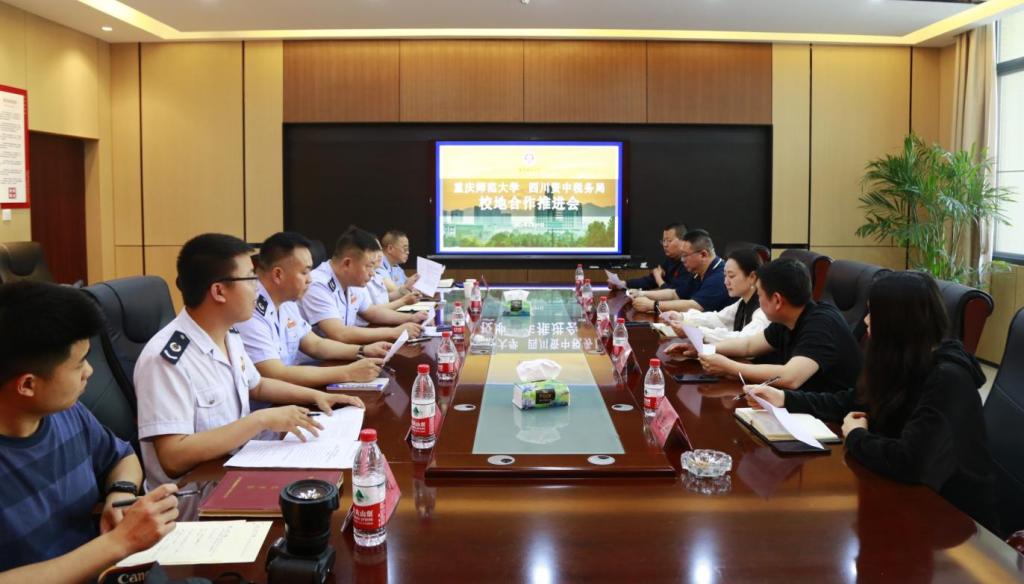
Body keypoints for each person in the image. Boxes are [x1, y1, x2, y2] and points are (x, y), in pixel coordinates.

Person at [745, 271, 998, 533]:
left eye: (872, 313)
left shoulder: (948, 379)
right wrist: (785, 398)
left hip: (952, 522)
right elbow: (850, 401)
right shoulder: (903, 360)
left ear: (895, 321)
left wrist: (856, 436)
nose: (865, 320)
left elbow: (911, 462)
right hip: (904, 499)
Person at [134, 233, 364, 491]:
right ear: (219, 291)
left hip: (240, 468)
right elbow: (172, 458)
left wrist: (317, 397)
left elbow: (258, 385)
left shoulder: (229, 334)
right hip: (199, 497)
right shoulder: (166, 359)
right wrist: (260, 420)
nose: (258, 287)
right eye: (250, 278)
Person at [0, 282, 179, 580]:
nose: (90, 371)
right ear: (28, 385)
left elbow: (123, 458)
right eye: (79, 364)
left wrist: (120, 493)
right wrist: (118, 542)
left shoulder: (65, 412)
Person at [673, 258, 860, 392]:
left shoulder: (821, 323)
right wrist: (703, 350)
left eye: (760, 295)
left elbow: (790, 377)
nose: (758, 300)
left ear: (777, 300)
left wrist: (729, 367)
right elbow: (748, 345)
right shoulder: (787, 319)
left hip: (837, 420)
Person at [236, 231, 391, 387]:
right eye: (304, 272)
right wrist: (348, 372)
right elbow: (276, 374)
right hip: (278, 394)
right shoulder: (249, 309)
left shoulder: (287, 300)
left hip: (295, 384)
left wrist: (362, 350)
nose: (310, 279)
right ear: (278, 274)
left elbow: (315, 344)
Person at [299, 227, 425, 344]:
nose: (372, 273)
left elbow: (372, 312)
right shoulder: (318, 284)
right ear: (347, 263)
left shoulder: (352, 281)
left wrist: (411, 318)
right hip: (318, 358)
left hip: (343, 351)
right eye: (369, 266)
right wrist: (394, 332)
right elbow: (340, 333)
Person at [661, 248, 768, 343]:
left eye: (731, 276)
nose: (726, 282)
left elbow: (744, 340)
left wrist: (697, 332)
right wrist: (681, 317)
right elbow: (718, 319)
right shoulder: (742, 302)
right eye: (725, 276)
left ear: (752, 277)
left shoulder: (763, 310)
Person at [632, 229, 730, 314]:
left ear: (703, 255)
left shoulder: (720, 276)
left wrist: (653, 305)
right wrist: (641, 293)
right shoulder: (698, 273)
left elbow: (695, 306)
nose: (682, 260)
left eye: (685, 255)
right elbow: (675, 294)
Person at [612, 222, 689, 291]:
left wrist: (658, 278)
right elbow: (649, 281)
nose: (665, 245)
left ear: (683, 241)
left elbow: (674, 295)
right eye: (663, 241)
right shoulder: (670, 260)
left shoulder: (688, 264)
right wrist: (624, 284)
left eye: (669, 241)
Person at [378, 229, 420, 298]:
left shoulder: (396, 267)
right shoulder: (377, 264)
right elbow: (394, 290)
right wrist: (408, 286)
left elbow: (408, 285)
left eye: (408, 249)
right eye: (405, 249)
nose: (408, 252)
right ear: (390, 248)